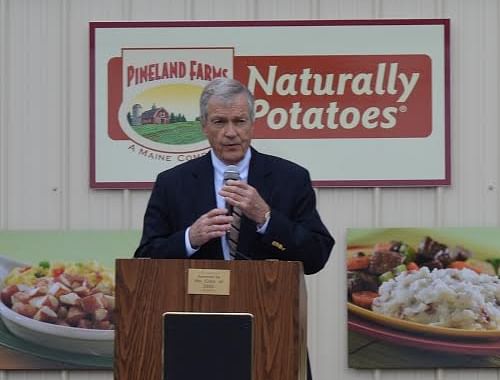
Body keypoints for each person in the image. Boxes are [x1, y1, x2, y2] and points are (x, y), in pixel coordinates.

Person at [134, 78, 334, 379]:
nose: (230, 132)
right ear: (203, 125)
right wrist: (191, 238)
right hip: (194, 334)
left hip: (271, 333)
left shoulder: (290, 178)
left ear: (252, 123)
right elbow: (146, 258)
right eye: (219, 121)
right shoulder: (172, 183)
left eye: (239, 121)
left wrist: (267, 218)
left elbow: (317, 255)